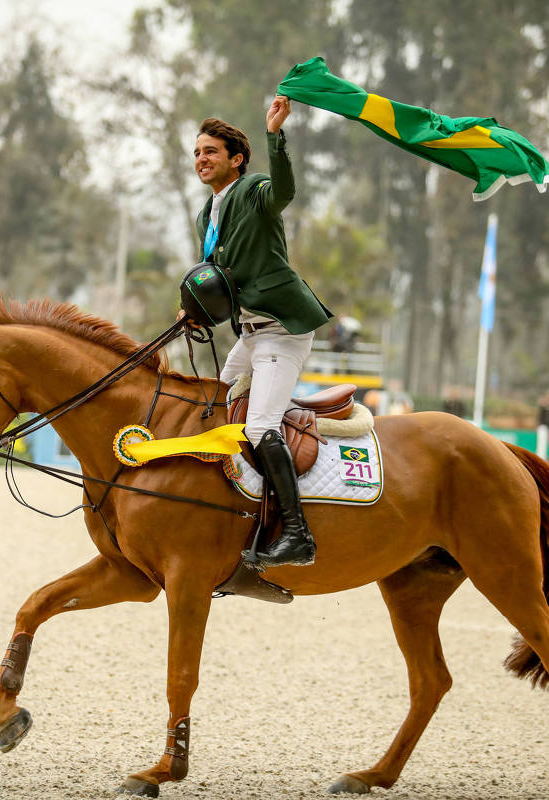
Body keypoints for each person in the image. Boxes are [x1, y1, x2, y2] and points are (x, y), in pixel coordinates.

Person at [187, 99, 332, 568]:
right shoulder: (203, 215)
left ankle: (297, 534)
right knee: (212, 402)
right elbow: (219, 282)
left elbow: (285, 189)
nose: (201, 159)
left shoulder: (254, 192)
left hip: (281, 331)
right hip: (249, 336)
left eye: (211, 151)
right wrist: (192, 310)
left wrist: (275, 135)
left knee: (260, 424)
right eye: (196, 153)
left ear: (237, 159)